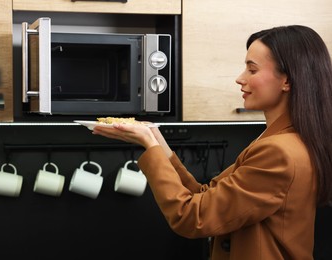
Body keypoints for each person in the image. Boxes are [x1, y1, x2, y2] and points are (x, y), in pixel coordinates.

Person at [92, 25, 332, 259]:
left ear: (287, 81)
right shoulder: (284, 140)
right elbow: (207, 197)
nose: (240, 78)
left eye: (252, 70)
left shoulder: (279, 152)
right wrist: (159, 144)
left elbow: (192, 217)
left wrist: (151, 148)